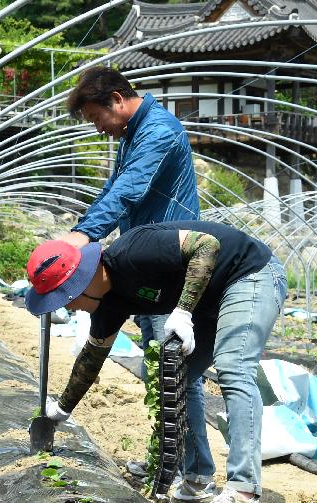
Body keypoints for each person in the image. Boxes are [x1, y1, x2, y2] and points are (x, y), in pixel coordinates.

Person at [24, 221, 287, 503]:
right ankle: (199, 480)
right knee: (178, 376)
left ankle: (243, 493)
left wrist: (184, 311)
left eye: (67, 299)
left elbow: (206, 245)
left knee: (233, 367)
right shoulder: (108, 304)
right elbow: (92, 357)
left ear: (79, 282)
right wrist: (61, 410)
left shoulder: (133, 252)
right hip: (211, 297)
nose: (72, 308)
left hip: (249, 274)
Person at [60, 65, 199, 365]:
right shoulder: (130, 137)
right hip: (148, 262)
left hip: (171, 263)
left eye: (97, 118)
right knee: (154, 359)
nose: (98, 128)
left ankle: (176, 415)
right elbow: (112, 190)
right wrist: (80, 230)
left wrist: (84, 236)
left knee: (174, 373)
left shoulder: (158, 132)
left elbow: (128, 190)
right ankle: (162, 415)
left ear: (117, 99)